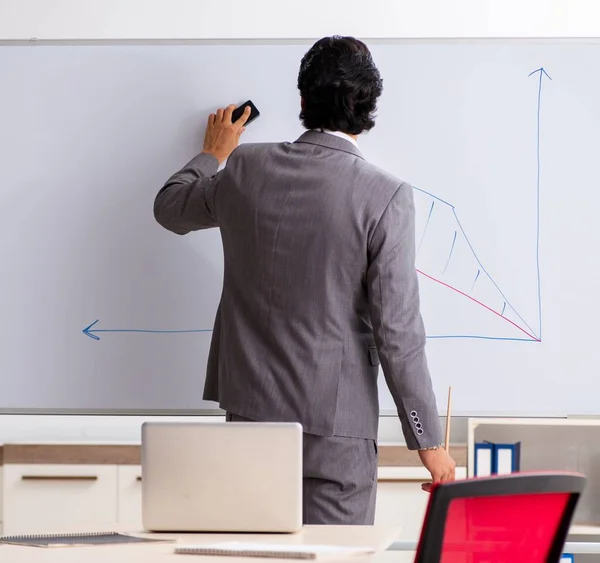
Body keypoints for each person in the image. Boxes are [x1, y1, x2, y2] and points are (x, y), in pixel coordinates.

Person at [153, 35, 455, 525]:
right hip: (337, 438)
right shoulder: (385, 196)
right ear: (370, 107)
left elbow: (169, 208)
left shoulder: (244, 168)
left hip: (251, 425)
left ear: (302, 100)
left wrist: (213, 154)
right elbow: (398, 333)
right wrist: (428, 442)